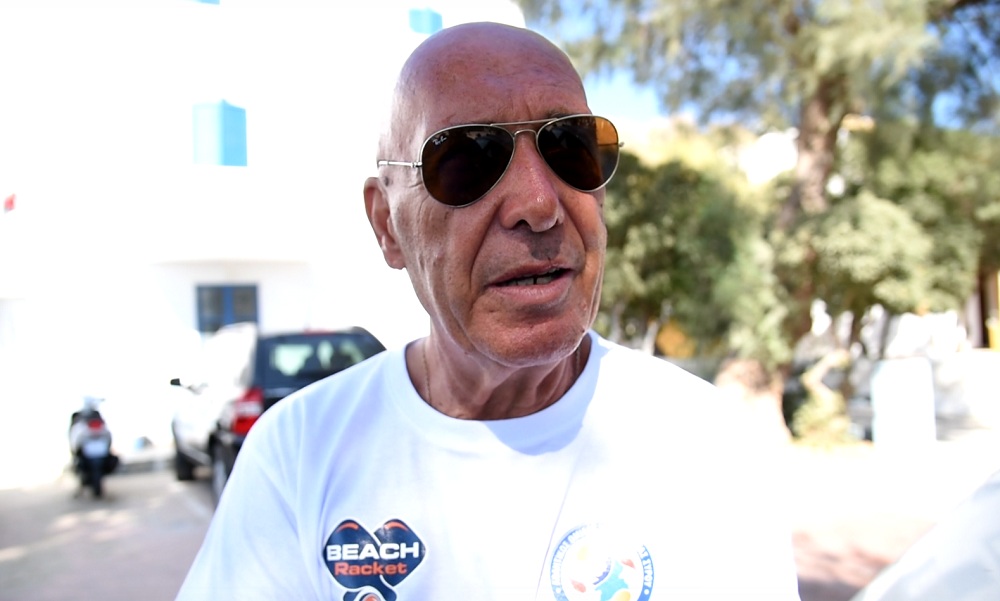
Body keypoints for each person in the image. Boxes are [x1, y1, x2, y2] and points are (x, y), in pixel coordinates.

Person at [176, 21, 801, 601]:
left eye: (570, 147)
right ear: (387, 224)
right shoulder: (297, 454)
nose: (538, 204)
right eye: (467, 160)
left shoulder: (705, 443)